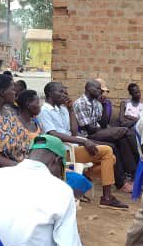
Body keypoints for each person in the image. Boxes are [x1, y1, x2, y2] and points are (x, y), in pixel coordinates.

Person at [37, 81, 126, 209]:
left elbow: (73, 131)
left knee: (111, 159)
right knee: (107, 151)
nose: (64, 94)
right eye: (60, 92)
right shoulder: (44, 110)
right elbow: (53, 134)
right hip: (61, 151)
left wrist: (71, 109)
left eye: (64, 91)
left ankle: (86, 175)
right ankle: (106, 198)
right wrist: (83, 141)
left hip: (72, 146)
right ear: (50, 94)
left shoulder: (62, 108)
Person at [74, 79, 139, 189]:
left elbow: (103, 123)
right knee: (125, 131)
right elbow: (89, 129)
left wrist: (104, 106)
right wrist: (108, 131)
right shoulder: (80, 103)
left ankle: (127, 177)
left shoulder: (97, 103)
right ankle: (137, 161)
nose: (101, 91)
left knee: (120, 141)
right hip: (87, 137)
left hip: (98, 132)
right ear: (89, 88)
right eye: (98, 89)